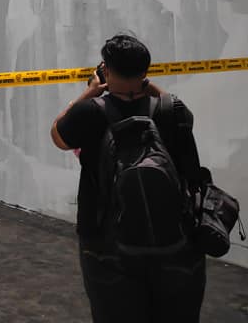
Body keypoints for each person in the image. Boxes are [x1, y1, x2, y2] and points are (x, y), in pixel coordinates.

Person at [50, 34, 205, 323]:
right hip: (175, 241)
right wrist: (147, 85)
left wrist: (91, 91)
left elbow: (57, 134)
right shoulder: (171, 110)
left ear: (107, 71)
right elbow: (179, 111)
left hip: (106, 245)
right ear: (145, 71)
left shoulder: (89, 112)